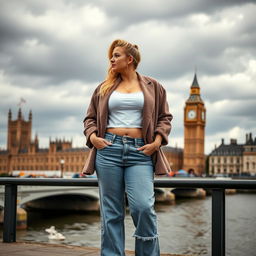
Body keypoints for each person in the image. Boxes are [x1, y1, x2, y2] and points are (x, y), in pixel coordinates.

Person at [82, 39, 173, 256]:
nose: (111, 60)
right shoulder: (103, 88)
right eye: (111, 57)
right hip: (109, 151)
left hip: (141, 151)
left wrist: (157, 142)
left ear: (129, 59)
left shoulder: (154, 87)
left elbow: (165, 118)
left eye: (116, 55)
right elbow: (89, 119)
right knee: (111, 213)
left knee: (143, 208)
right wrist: (93, 137)